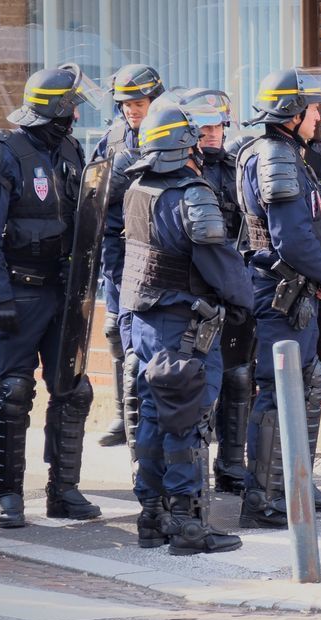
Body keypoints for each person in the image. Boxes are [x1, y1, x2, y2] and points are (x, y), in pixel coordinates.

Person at [0, 64, 104, 528]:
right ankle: (8, 495)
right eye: (72, 106)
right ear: (58, 109)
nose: (77, 113)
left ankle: (63, 490)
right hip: (19, 291)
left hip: (62, 293)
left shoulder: (69, 147)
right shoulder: (1, 149)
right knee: (13, 392)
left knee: (74, 388)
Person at [122, 95, 250, 555]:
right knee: (188, 422)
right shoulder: (193, 195)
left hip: (145, 323)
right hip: (185, 326)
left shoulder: (136, 190)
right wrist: (244, 302)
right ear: (186, 147)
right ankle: (188, 524)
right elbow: (221, 264)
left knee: (154, 419)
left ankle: (152, 517)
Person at [236, 68, 321, 527]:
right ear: (292, 114)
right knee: (278, 391)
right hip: (281, 291)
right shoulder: (275, 156)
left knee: (307, 380)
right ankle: (262, 499)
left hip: (294, 290)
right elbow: (291, 237)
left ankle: (296, 481)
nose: (318, 116)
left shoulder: (285, 152)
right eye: (313, 109)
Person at [175, 88, 251, 495]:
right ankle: (194, 474)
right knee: (199, 385)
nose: (213, 133)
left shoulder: (235, 166)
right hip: (194, 291)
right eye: (204, 126)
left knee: (239, 376)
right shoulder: (184, 170)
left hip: (234, 283)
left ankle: (231, 465)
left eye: (218, 125)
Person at [96, 64, 166, 448]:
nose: (131, 111)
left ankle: (158, 417)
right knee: (116, 332)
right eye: (125, 104)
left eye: (138, 103)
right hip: (118, 250)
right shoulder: (114, 137)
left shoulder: (174, 129)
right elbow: (94, 191)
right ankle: (126, 415)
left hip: (159, 251)